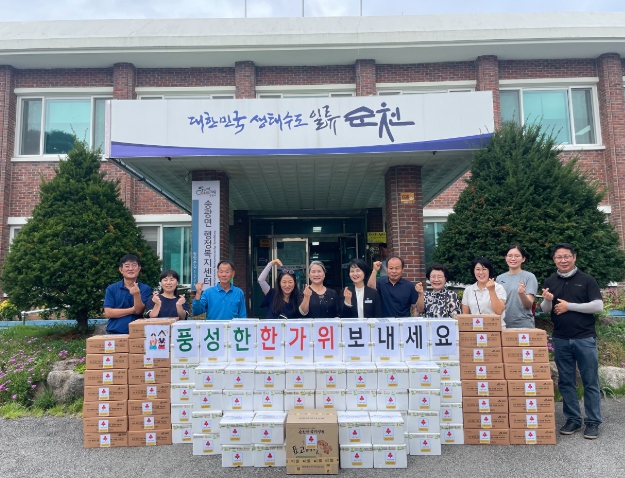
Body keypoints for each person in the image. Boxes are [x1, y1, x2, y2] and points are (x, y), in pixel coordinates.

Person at [540, 243, 603, 440]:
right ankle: (573, 419)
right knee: (566, 381)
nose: (563, 260)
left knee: (590, 381)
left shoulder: (587, 280)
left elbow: (598, 306)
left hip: (585, 338)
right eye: (559, 257)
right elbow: (545, 309)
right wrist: (547, 299)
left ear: (574, 257)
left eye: (567, 256)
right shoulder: (550, 281)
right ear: (554, 260)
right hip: (561, 338)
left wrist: (570, 306)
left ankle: (593, 422)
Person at [103, 254, 153, 334]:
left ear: (139, 268)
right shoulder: (111, 288)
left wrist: (136, 295)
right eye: (127, 266)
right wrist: (132, 310)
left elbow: (139, 311)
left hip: (137, 332)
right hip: (114, 332)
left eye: (134, 265)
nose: (130, 269)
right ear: (121, 269)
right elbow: (108, 313)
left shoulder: (145, 288)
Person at [496, 245, 538, 328]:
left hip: (523, 325)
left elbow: (529, 304)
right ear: (506, 258)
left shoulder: (529, 277)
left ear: (523, 259)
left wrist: (521, 294)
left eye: (517, 256)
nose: (513, 259)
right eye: (510, 256)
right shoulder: (499, 278)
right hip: (503, 324)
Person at [461, 257, 506, 325]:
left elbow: (499, 311)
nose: (481, 272)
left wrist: (491, 290)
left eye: (484, 269)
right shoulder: (468, 290)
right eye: (478, 269)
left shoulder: (498, 288)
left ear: (489, 270)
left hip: (496, 328)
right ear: (473, 271)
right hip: (476, 328)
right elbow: (465, 314)